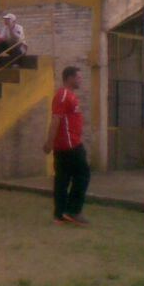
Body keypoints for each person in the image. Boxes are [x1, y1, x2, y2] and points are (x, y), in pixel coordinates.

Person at [43, 66, 90, 226]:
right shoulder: (63, 95)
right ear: (69, 78)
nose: (80, 80)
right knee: (83, 174)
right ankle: (73, 210)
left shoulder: (69, 96)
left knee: (62, 179)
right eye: (78, 77)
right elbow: (56, 119)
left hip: (65, 144)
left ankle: (60, 214)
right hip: (70, 144)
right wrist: (49, 142)